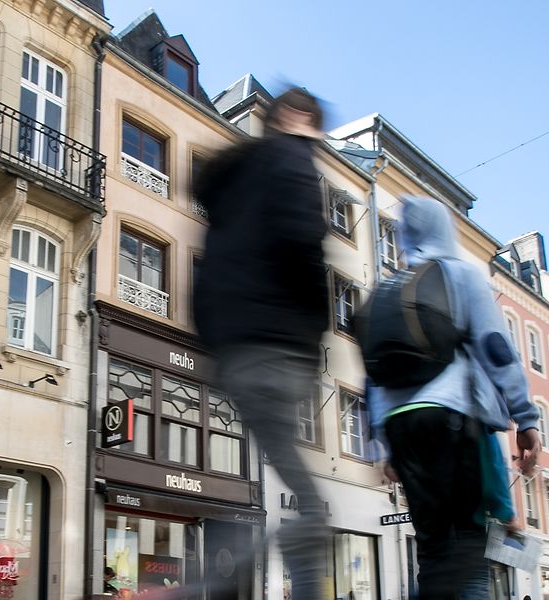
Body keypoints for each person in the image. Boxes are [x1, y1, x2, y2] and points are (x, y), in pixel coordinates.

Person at [191, 87, 332, 600]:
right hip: (279, 341)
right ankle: (213, 580)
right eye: (315, 125)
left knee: (294, 474)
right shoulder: (291, 160)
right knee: (310, 502)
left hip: (235, 351)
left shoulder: (234, 181)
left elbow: (207, 267)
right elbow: (303, 242)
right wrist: (314, 327)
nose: (317, 139)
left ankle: (223, 572)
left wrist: (217, 339)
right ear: (294, 117)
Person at [368, 196, 541, 599]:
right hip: (453, 420)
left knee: (433, 550)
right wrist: (525, 418)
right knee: (467, 547)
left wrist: (387, 445)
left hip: (403, 428)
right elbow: (496, 348)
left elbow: (373, 377)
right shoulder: (460, 276)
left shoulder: (387, 291)